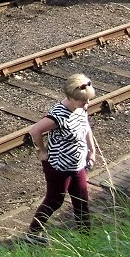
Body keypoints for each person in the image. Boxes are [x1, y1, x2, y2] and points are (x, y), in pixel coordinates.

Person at [25, 73, 100, 242]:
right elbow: (35, 131)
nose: (87, 104)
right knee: (55, 200)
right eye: (84, 101)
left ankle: (85, 235)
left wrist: (92, 151)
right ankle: (33, 233)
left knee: (81, 200)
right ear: (70, 98)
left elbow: (86, 127)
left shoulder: (80, 108)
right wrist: (43, 151)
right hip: (59, 167)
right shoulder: (58, 115)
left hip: (77, 165)